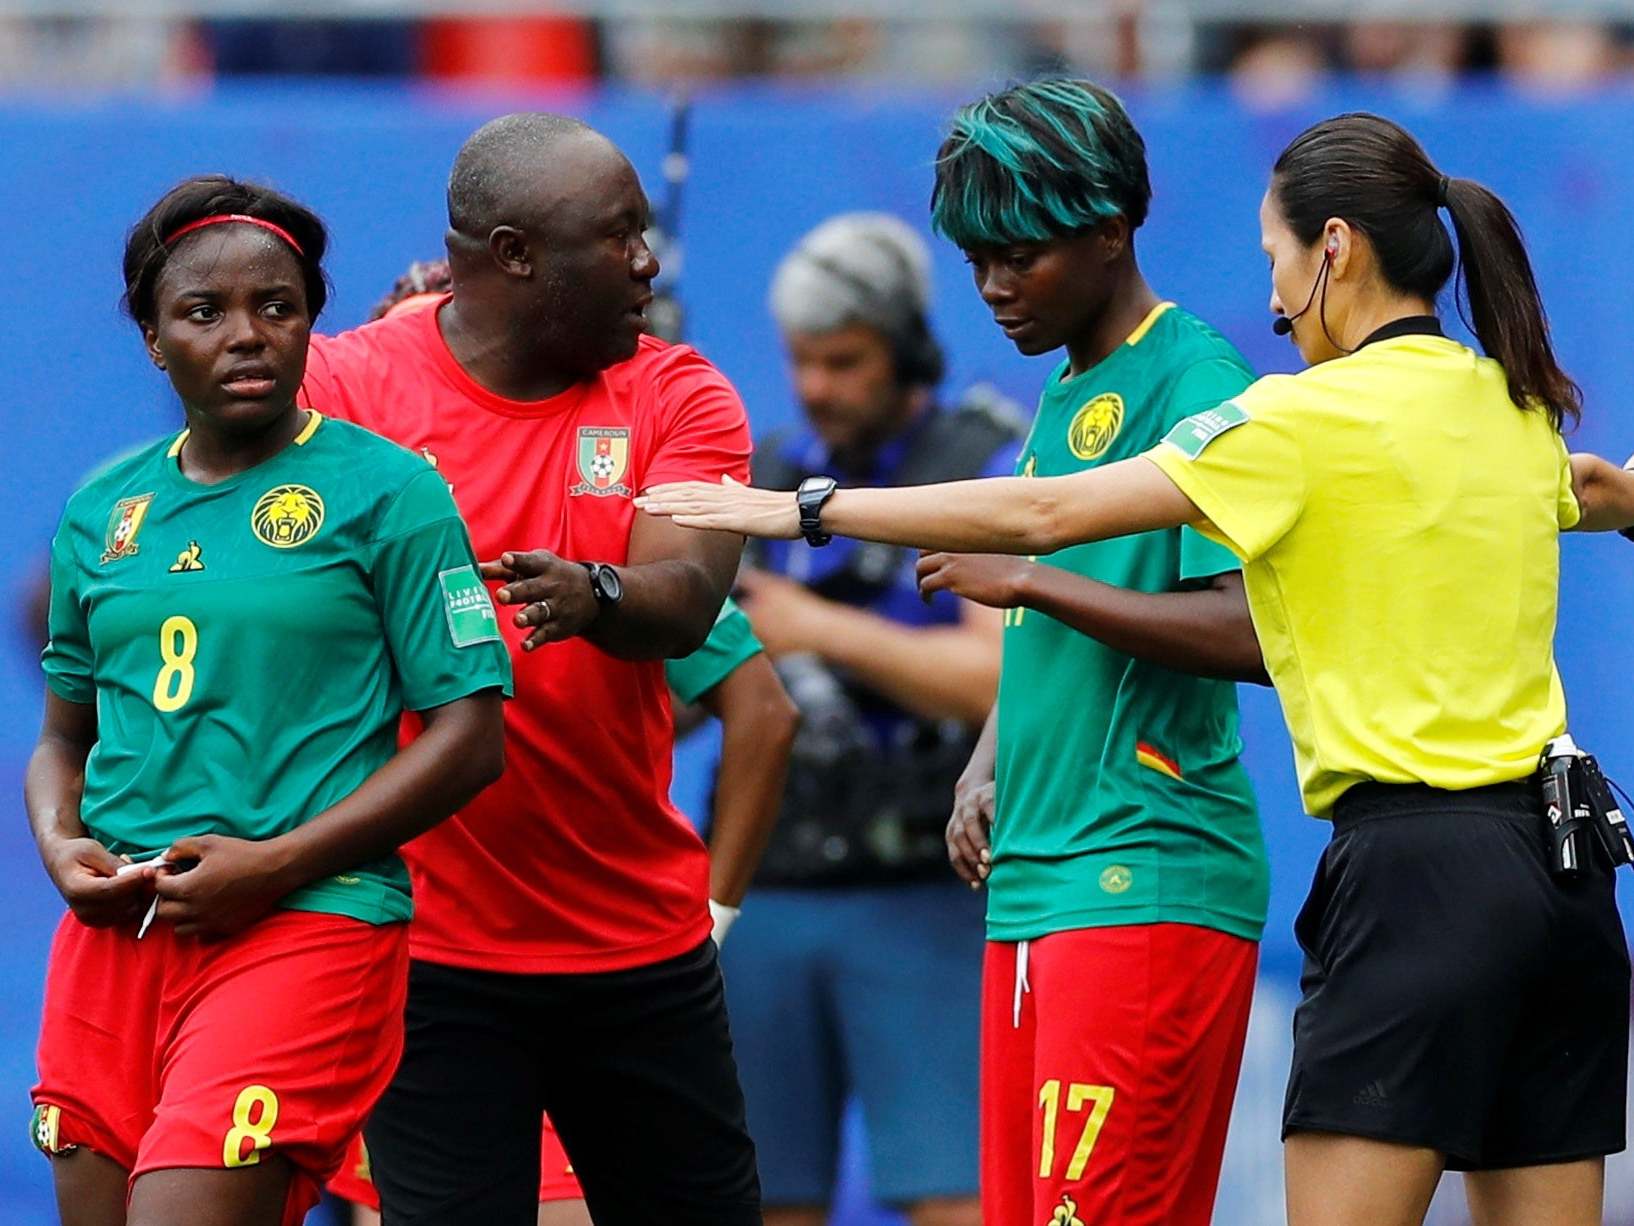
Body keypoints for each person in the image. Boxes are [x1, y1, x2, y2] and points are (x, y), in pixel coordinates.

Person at [640, 110, 1634, 1226]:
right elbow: (1598, 490)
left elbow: (1045, 517)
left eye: (1275, 259)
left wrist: (801, 507)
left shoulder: (1293, 414)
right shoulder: (1506, 405)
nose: (1268, 299)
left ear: (1334, 250)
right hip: (1561, 866)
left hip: (1391, 873)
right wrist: (995, 744)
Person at [295, 112, 761, 1226]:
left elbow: (689, 598)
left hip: (637, 947)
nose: (648, 261)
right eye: (618, 237)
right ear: (512, 255)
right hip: (428, 953)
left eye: (646, 231)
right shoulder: (343, 389)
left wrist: (597, 593)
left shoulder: (678, 392)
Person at [25, 176, 510, 1226]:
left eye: (276, 307)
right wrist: (64, 847)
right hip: (119, 936)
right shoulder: (104, 505)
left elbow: (472, 736)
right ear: (154, 339)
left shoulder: (390, 490)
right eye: (205, 311)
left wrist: (279, 862)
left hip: (302, 920)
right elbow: (65, 735)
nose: (246, 334)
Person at [907, 79, 1269, 1226]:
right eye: (975, 261)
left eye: (1019, 255)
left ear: (1109, 232)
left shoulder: (1197, 382)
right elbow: (1060, 631)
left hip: (1145, 872)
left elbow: (1250, 630)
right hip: (1039, 881)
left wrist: (1028, 575)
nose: (993, 288)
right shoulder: (1066, 389)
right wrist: (987, 753)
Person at [723, 212, 1014, 1226]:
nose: (815, 387)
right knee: (761, 1194)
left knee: (960, 1194)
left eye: (843, 360)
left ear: (906, 349)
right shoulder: (760, 476)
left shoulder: (978, 462)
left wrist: (816, 630)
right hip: (767, 884)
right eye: (801, 361)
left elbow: (1001, 675)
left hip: (925, 891)